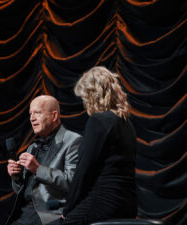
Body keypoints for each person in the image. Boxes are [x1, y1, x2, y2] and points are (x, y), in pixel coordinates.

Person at [48, 66, 137, 225]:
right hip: (127, 203)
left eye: (84, 98)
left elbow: (84, 171)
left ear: (92, 96)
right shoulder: (126, 123)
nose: (84, 103)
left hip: (104, 200)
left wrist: (68, 209)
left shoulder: (99, 121)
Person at [6, 95, 82, 225]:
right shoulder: (32, 147)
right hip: (25, 213)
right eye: (30, 114)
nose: (32, 118)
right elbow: (22, 189)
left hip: (51, 214)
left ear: (54, 116)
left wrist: (37, 169)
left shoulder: (73, 141)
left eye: (38, 113)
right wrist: (16, 177)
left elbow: (73, 183)